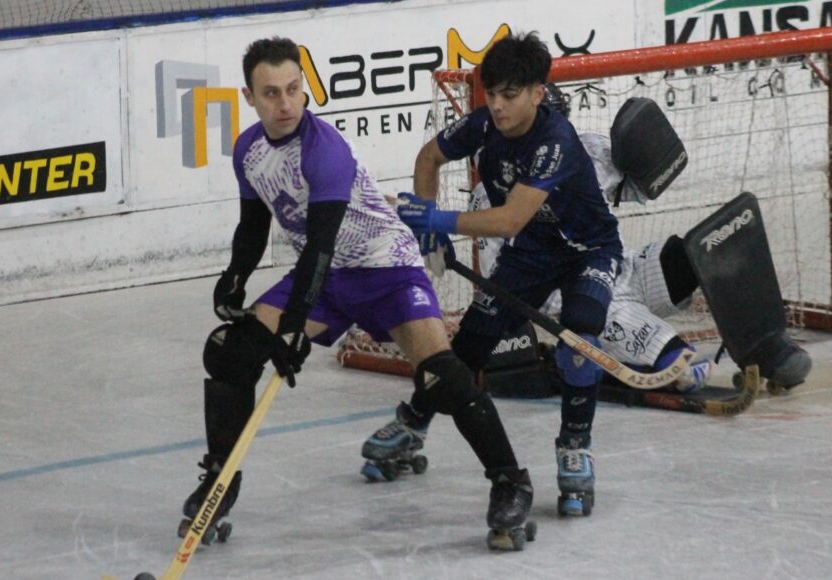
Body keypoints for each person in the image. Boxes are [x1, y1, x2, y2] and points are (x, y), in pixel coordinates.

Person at [188, 36, 534, 548]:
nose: (285, 104)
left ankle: (510, 481)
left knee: (441, 376)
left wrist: (293, 327)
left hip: (385, 267)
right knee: (228, 352)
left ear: (304, 89)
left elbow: (321, 243)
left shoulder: (323, 150)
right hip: (326, 278)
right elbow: (253, 225)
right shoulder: (249, 150)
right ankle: (220, 480)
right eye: (271, 93)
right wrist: (234, 278)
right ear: (250, 98)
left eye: (293, 89)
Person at [371, 33, 625, 518]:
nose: (498, 105)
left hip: (588, 252)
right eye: (491, 94)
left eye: (510, 94)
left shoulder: (555, 142)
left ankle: (575, 445)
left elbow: (509, 220)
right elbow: (428, 158)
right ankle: (414, 422)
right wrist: (429, 230)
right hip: (531, 254)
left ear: (537, 92)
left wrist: (436, 219)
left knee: (579, 335)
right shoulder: (485, 123)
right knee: (468, 344)